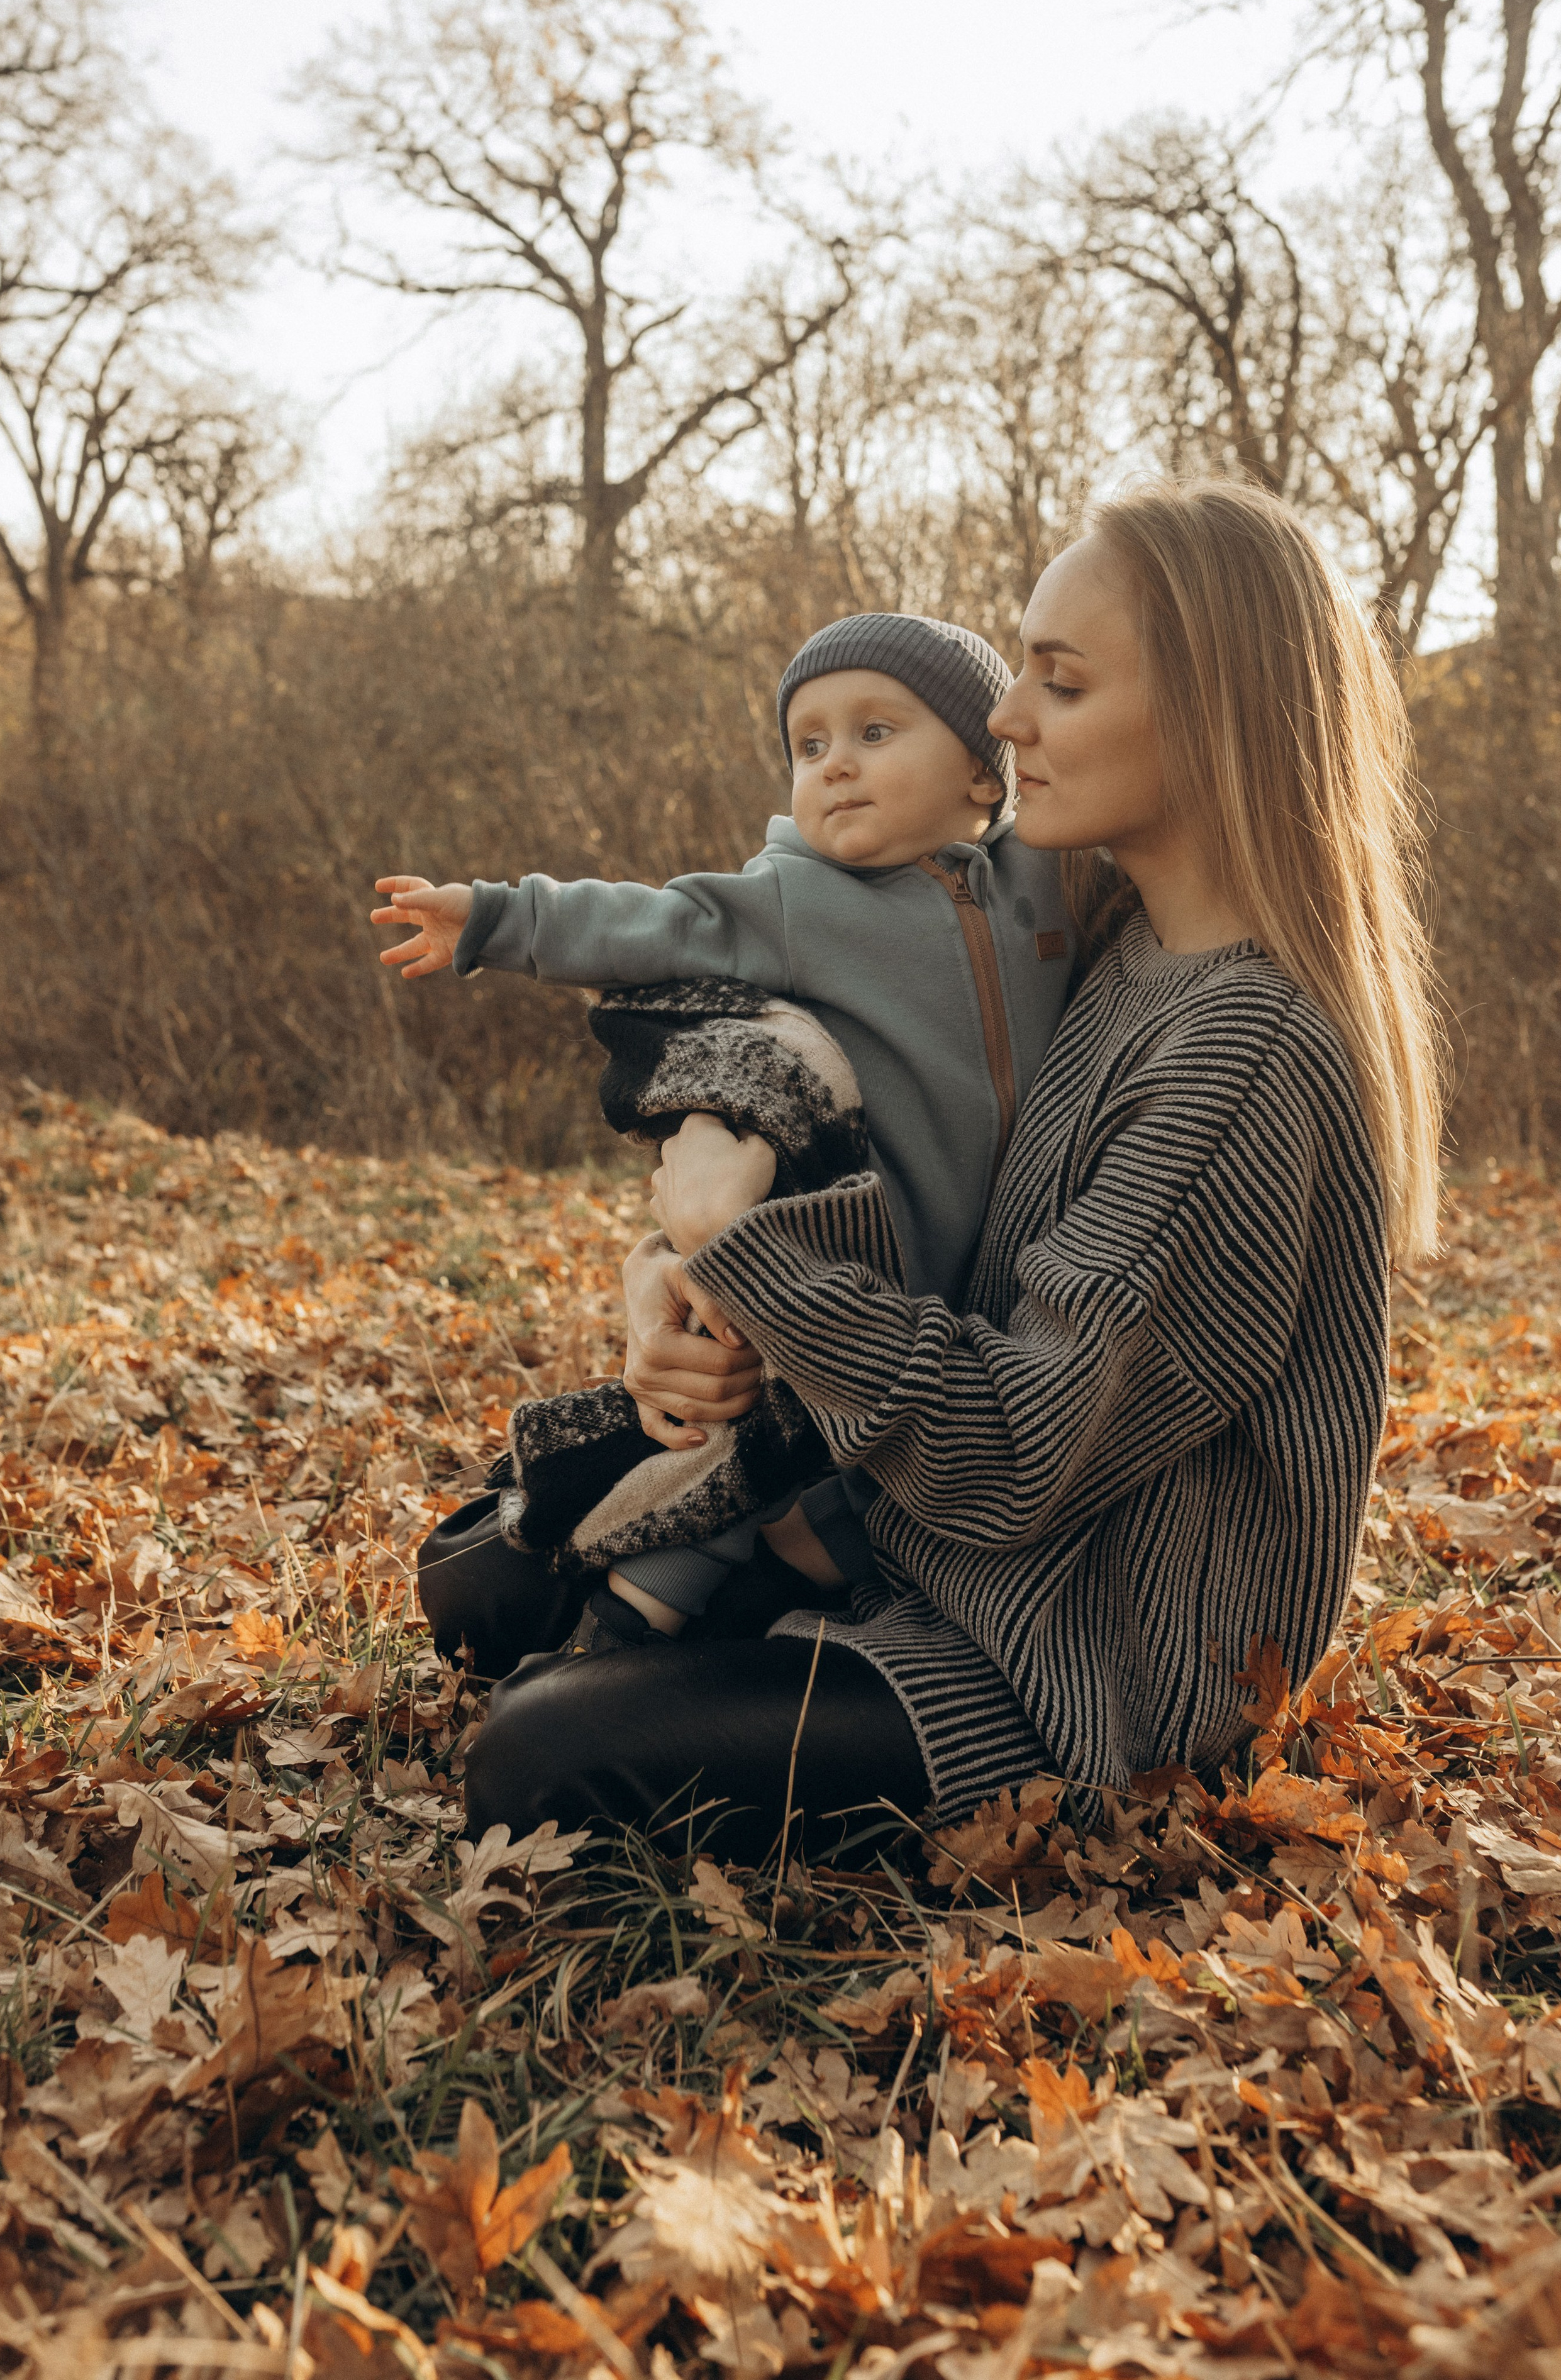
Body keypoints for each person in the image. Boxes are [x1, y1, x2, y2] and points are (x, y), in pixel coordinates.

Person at [454, 477, 1444, 1864]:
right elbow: (830, 1089)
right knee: (482, 1572)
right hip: (907, 1534)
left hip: (1076, 1666)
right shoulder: (1100, 942)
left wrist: (745, 1259)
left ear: (1210, 711)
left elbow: (1021, 1453)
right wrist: (670, 1291)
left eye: (1058, 680)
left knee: (534, 1756)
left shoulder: (1241, 1048)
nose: (1002, 718)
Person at [372, 615, 1077, 1653]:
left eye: (876, 732)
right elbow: (650, 923)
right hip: (851, 1256)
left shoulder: (1046, 884)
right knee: (747, 1439)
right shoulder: (795, 900)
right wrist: (492, 918)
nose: (835, 765)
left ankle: (749, 1603)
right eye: (810, 745)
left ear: (984, 772)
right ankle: (619, 1629)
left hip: (992, 1295)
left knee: (844, 1478)